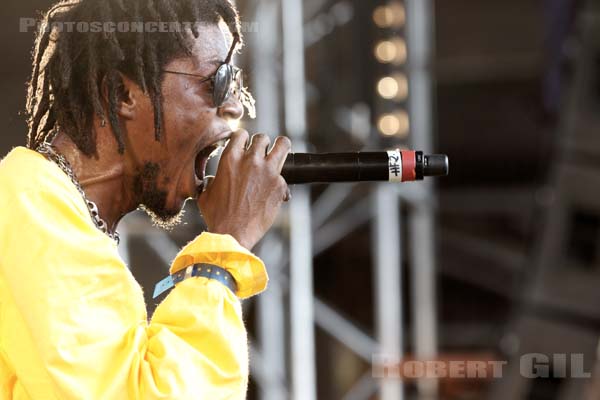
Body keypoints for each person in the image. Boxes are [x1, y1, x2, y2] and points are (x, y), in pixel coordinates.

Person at [0, 0, 291, 398]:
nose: (236, 105)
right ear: (123, 92)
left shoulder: (54, 211)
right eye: (218, 81)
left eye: (237, 83)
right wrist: (227, 247)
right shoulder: (29, 201)